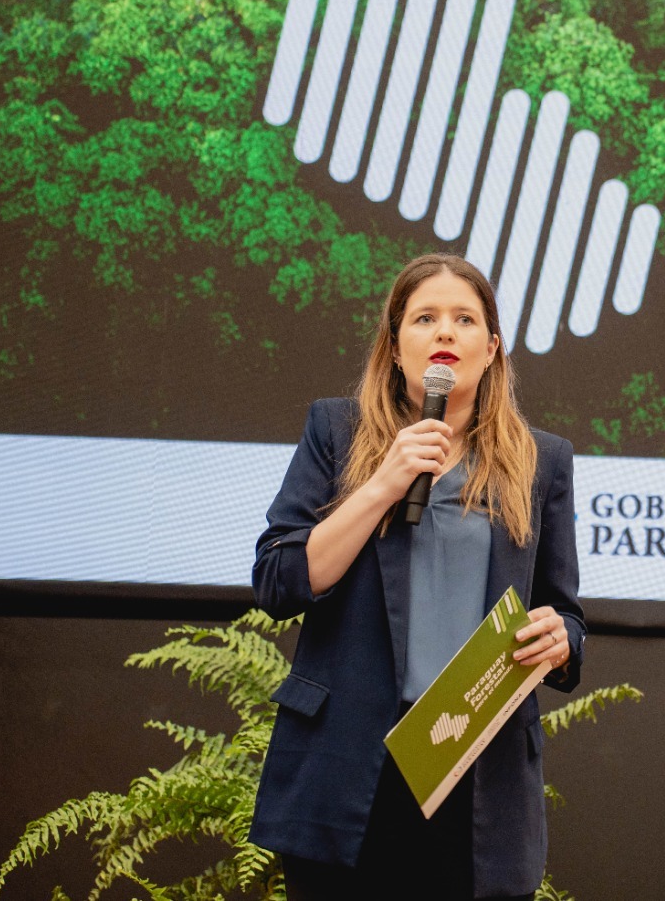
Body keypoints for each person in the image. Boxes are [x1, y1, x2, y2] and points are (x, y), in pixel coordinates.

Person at [250, 253, 584, 901]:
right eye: (424, 317)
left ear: (490, 349)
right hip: (348, 764)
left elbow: (562, 610)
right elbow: (279, 581)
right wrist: (381, 485)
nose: (444, 332)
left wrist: (563, 638)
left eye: (464, 319)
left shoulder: (542, 462)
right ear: (396, 345)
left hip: (473, 767)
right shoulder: (336, 434)